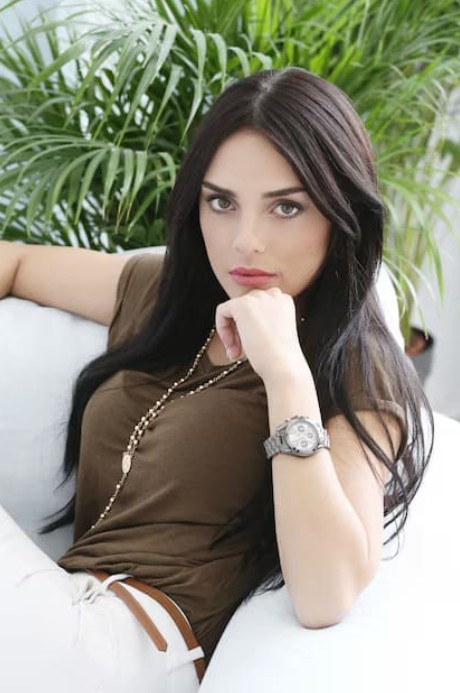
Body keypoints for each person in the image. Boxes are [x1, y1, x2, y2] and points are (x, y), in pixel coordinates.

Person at [0, 67, 432, 692]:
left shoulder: (358, 368)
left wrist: (285, 371)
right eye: (221, 202)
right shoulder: (169, 297)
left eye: (287, 207)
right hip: (55, 611)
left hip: (136, 652)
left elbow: (326, 593)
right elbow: (17, 264)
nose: (245, 242)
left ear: (341, 215)